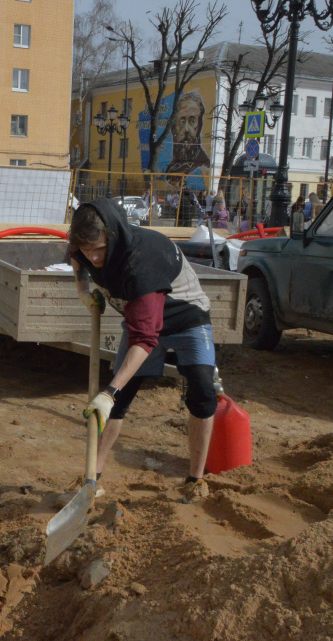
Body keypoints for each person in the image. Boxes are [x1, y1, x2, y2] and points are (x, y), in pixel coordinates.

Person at [69, 198, 217, 503]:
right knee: (118, 401)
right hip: (141, 320)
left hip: (186, 317)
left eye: (99, 250)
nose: (93, 258)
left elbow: (145, 340)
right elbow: (75, 257)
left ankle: (195, 479)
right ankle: (91, 479)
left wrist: (107, 392)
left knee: (202, 391)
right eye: (87, 250)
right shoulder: (84, 247)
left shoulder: (140, 265)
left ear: (113, 236)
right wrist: (82, 291)